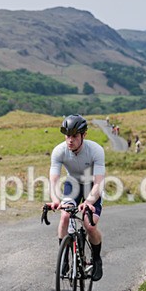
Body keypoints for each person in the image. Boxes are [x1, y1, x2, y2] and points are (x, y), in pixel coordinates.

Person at [48, 115, 106, 280]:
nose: (70, 140)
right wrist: (55, 200)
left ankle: (96, 258)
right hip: (72, 184)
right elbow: (53, 181)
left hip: (92, 186)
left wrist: (88, 202)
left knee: (90, 226)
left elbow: (99, 182)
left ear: (84, 135)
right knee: (65, 216)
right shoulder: (59, 151)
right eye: (67, 136)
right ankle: (64, 259)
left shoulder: (95, 150)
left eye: (74, 136)